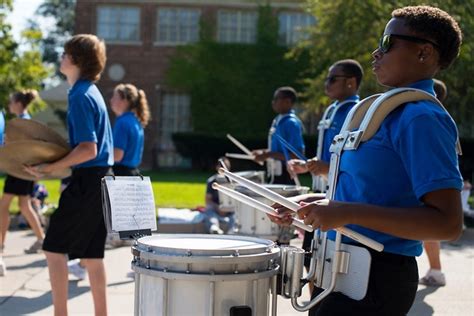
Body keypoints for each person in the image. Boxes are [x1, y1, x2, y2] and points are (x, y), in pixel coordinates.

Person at [270, 6, 463, 315]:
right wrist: (315, 203)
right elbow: (374, 196)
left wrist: (346, 212)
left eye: (387, 42)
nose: (376, 53)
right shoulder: (384, 113)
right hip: (335, 269)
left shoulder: (421, 117)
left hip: (374, 280)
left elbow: (448, 223)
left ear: (424, 53)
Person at [25, 34, 114, 316]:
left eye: (65, 53)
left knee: (53, 248)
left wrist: (49, 168)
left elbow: (88, 149)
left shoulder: (78, 95)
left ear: (77, 60)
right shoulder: (92, 91)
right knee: (92, 256)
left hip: (88, 182)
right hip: (102, 179)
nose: (61, 57)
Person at [288, 59, 364, 293]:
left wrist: (326, 168)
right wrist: (309, 165)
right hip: (323, 192)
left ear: (351, 83)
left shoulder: (355, 113)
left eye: (333, 79)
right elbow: (328, 154)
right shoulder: (334, 108)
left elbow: (355, 161)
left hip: (339, 199)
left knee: (328, 267)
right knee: (313, 262)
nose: (327, 84)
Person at [68, 83, 151, 279]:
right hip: (133, 175)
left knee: (98, 222)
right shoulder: (136, 121)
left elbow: (118, 154)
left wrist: (98, 157)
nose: (111, 101)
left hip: (121, 176)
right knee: (134, 228)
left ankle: (82, 265)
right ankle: (141, 266)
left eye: (114, 97)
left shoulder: (123, 122)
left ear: (125, 100)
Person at [0, 90, 46, 260]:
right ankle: (41, 239)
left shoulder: (22, 122)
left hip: (19, 170)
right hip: (23, 170)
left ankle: (1, 245)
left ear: (19, 104)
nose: (9, 105)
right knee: (24, 206)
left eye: (11, 101)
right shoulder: (25, 120)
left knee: (3, 206)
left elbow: (23, 149)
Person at [419, 78, 449, 287]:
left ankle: (437, 271)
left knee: (427, 228)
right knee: (426, 230)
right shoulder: (438, 116)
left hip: (428, 181)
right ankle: (436, 270)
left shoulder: (431, 117)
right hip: (429, 180)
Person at [253, 86, 305, 185]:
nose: (273, 102)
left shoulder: (291, 123)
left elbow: (297, 155)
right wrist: (263, 152)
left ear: (288, 102)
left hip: (287, 175)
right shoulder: (278, 121)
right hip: (275, 174)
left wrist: (268, 155)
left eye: (277, 99)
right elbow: (278, 150)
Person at [203, 157, 235, 234]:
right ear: (217, 167)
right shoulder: (211, 181)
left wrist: (227, 209)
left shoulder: (234, 182)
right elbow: (208, 200)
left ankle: (232, 230)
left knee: (237, 215)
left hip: (231, 210)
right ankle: (214, 228)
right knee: (209, 211)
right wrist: (218, 208)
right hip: (216, 209)